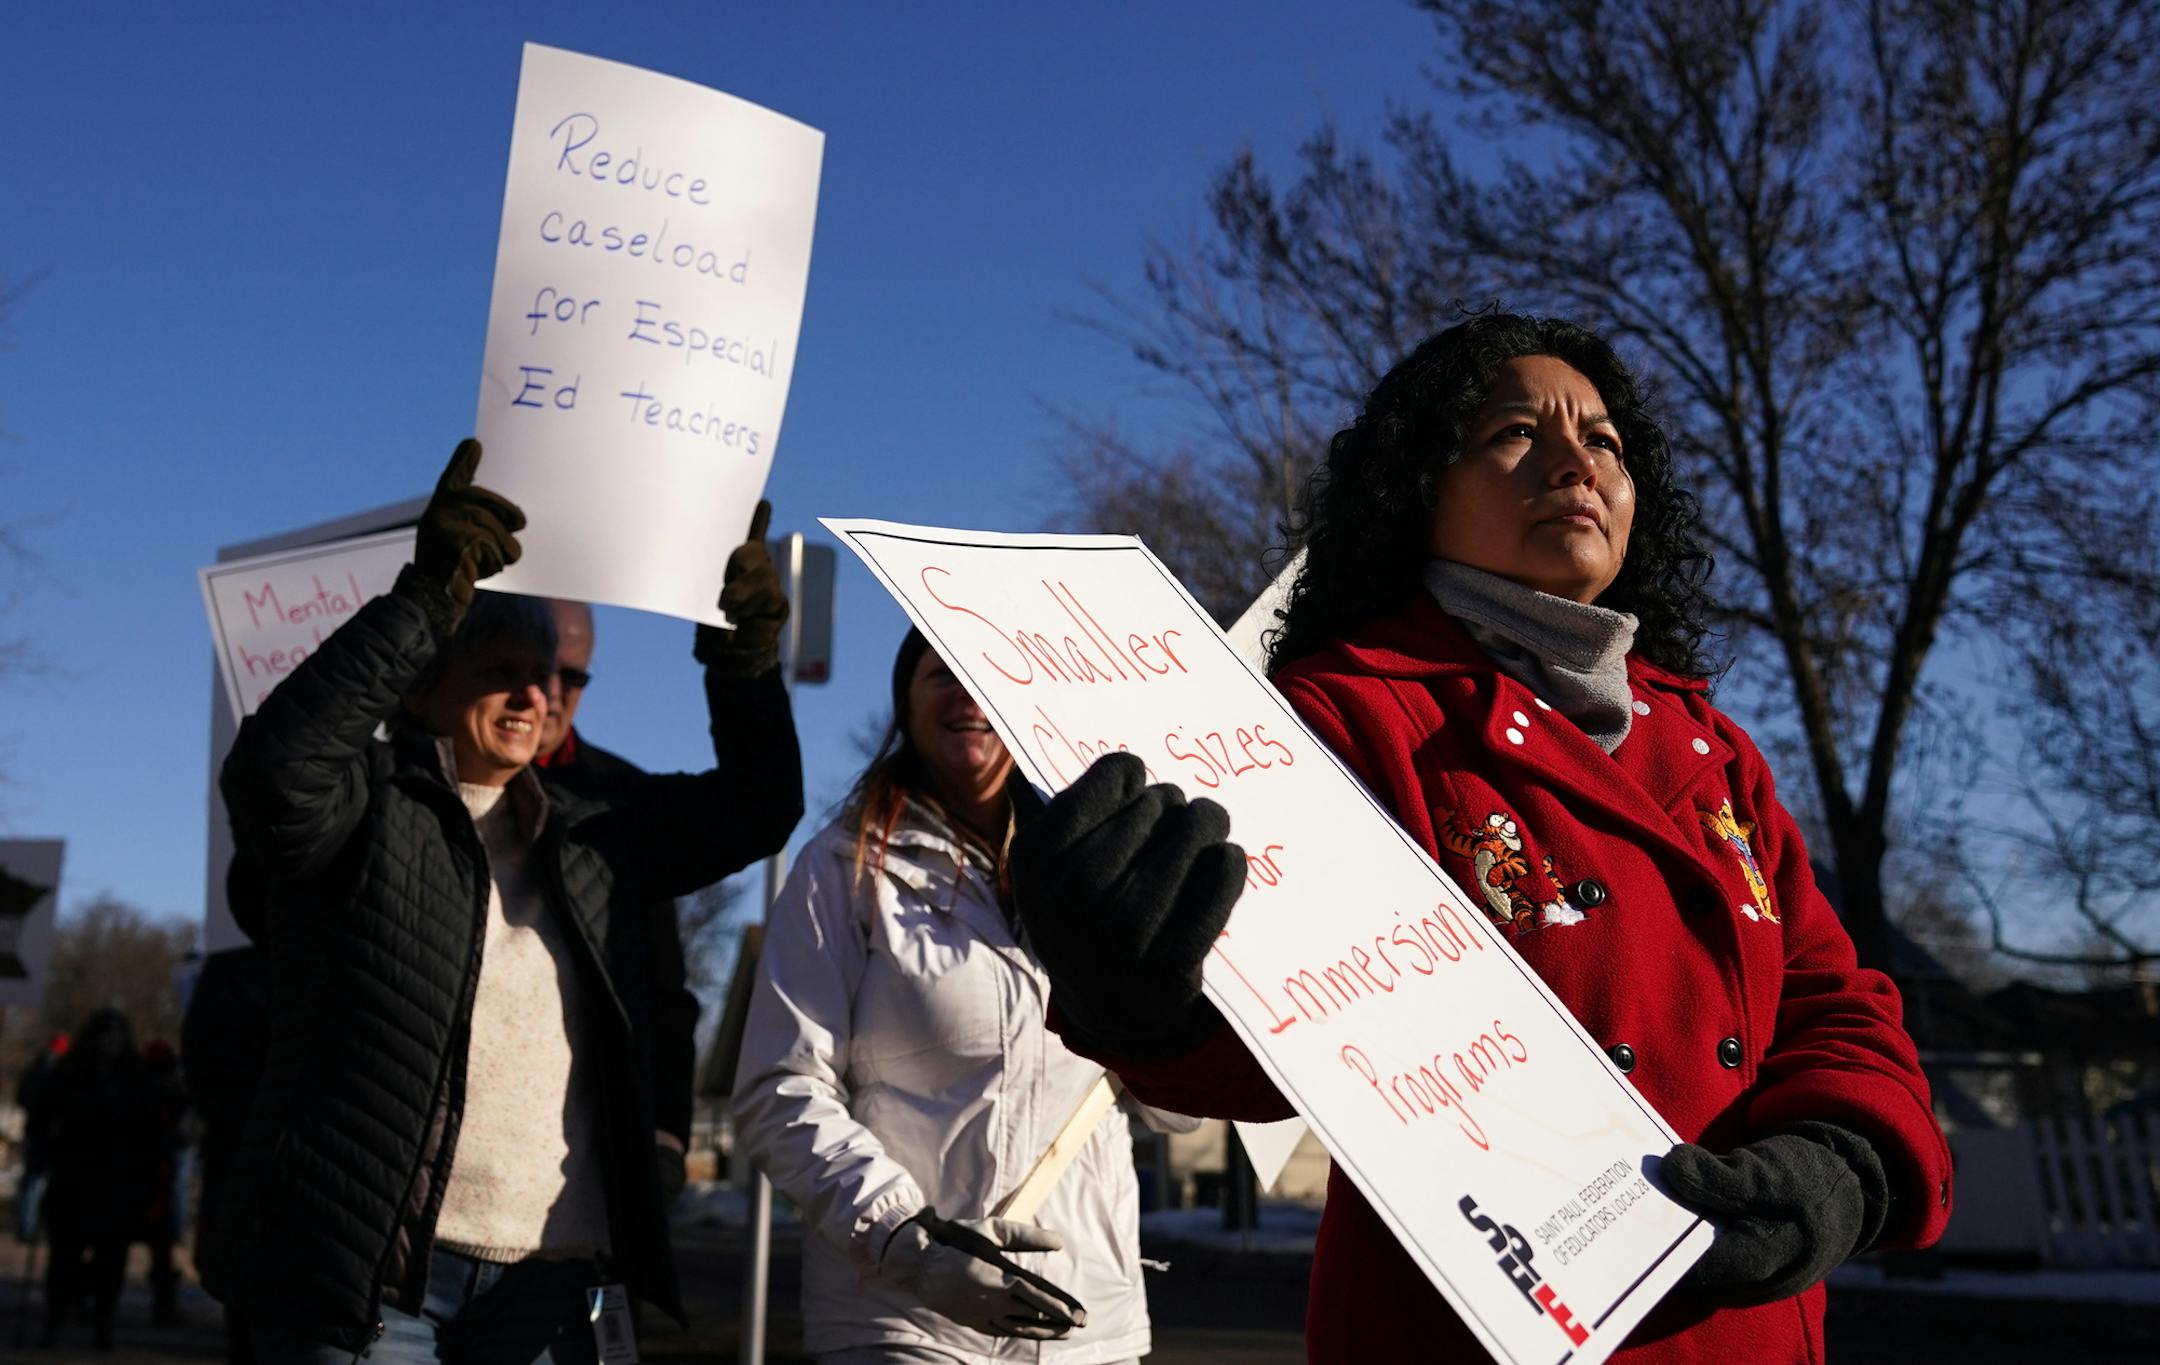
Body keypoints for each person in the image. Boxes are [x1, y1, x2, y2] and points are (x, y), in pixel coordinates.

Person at [1010, 313, 1953, 1363]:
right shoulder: (1343, 718)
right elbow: (1272, 1052)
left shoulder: (1715, 748)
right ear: (1419, 485)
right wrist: (1141, 996)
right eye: (1515, 433)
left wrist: (1842, 1159)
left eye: (1604, 441)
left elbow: (1832, 995)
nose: (1573, 461)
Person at [213, 439, 803, 1363]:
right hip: (377, 1288)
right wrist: (419, 601)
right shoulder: (362, 813)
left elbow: (759, 807)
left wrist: (745, 654)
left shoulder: (597, 830)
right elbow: (274, 773)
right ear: (428, 680)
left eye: (552, 674)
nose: (536, 692)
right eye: (501, 664)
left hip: (554, 1287)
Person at [733, 629, 1169, 1365]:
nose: (967, 692)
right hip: (901, 1320)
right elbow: (780, 1087)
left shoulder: (1102, 869)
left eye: (985, 670)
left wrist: (1169, 985)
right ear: (905, 701)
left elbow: (1176, 1107)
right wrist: (911, 1243)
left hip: (1085, 1323)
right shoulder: (841, 867)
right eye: (941, 673)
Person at [530, 597, 701, 1212]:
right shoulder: (425, 782)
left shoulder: (625, 800)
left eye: (573, 677)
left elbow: (663, 989)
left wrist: (667, 1135)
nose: (550, 692)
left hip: (590, 1149)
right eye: (535, 665)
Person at [29, 1008, 161, 1350]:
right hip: (73, 1180)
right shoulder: (70, 1073)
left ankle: (103, 1323)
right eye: (104, 1035)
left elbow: (150, 1134)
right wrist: (42, 1154)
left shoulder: (135, 1078)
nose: (109, 1043)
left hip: (116, 1184)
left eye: (116, 1036)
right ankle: (55, 1318)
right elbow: (42, 1117)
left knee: (110, 1261)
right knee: (64, 1258)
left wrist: (146, 1180)